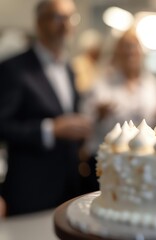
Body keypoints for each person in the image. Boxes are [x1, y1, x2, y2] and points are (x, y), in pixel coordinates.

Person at [0, 0, 91, 215]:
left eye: (71, 17)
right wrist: (50, 129)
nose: (66, 24)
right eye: (58, 17)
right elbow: (2, 125)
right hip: (31, 188)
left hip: (68, 184)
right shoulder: (13, 68)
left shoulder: (69, 68)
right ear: (39, 22)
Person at [81, 29, 156, 192]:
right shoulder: (101, 85)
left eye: (134, 47)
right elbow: (85, 122)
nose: (130, 52)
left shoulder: (152, 85)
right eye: (125, 47)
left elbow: (154, 123)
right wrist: (98, 115)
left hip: (143, 161)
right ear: (116, 53)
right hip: (108, 161)